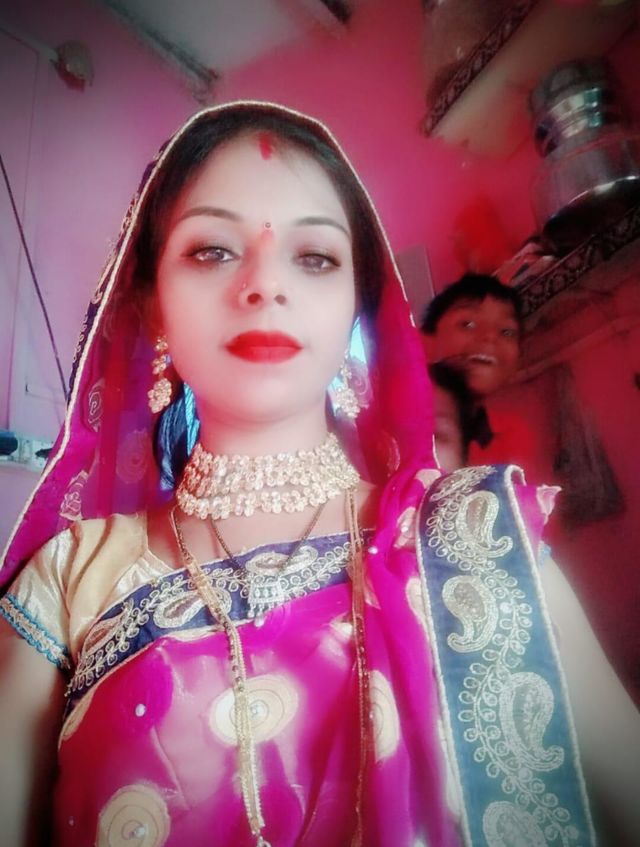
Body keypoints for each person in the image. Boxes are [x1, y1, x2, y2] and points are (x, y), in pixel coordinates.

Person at [0, 103, 638, 847]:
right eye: (213, 250)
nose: (265, 285)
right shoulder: (67, 583)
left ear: (356, 306)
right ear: (151, 303)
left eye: (315, 257)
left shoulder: (476, 541)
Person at [420, 273, 542, 473]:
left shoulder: (516, 434)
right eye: (467, 324)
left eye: (506, 332)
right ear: (427, 340)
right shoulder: (412, 402)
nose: (489, 337)